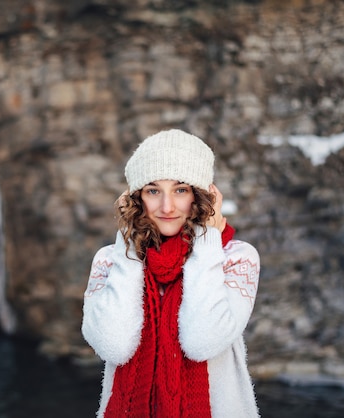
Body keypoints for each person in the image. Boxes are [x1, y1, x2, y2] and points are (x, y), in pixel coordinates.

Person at [81, 129, 260, 417]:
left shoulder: (235, 258)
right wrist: (130, 246)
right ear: (136, 198)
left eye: (180, 190)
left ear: (202, 196)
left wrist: (206, 242)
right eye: (153, 191)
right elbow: (113, 345)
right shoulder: (110, 260)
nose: (167, 207)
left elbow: (203, 342)